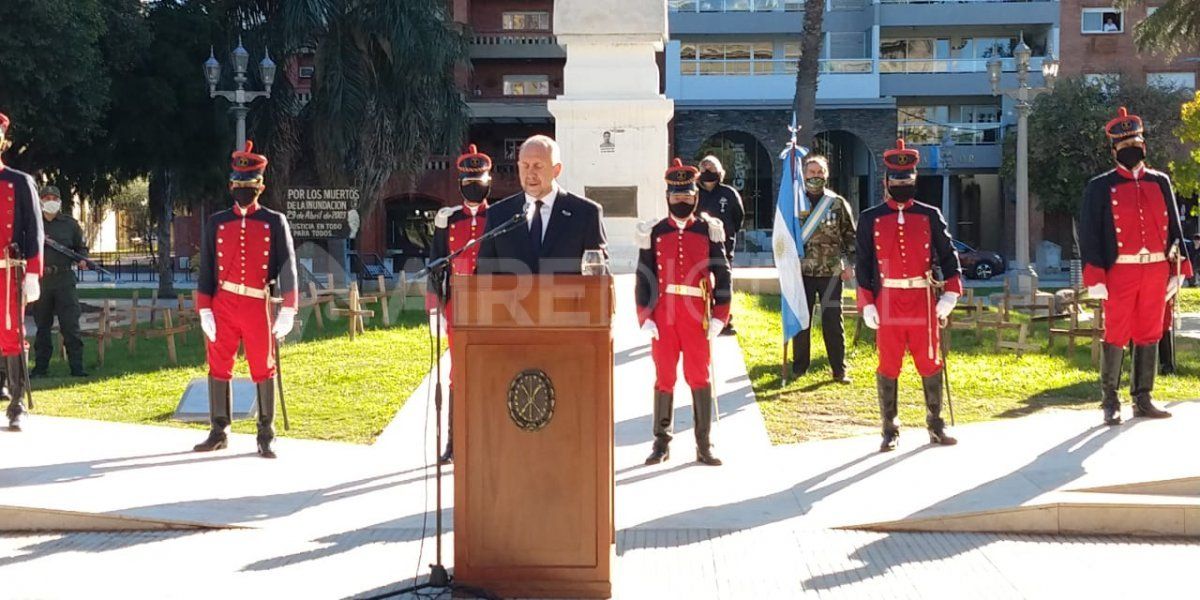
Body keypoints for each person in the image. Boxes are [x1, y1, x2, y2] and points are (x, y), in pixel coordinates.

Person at [1079, 107, 1192, 425]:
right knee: (1116, 332)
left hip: (1156, 269)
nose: (1132, 148)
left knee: (1150, 332)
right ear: (1114, 149)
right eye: (1125, 144)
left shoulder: (1161, 181)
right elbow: (1089, 233)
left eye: (1136, 142)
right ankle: (1110, 400)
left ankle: (1143, 398)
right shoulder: (1100, 187)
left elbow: (1175, 229)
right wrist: (1095, 275)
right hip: (1120, 271)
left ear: (1144, 145)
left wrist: (1180, 271)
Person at [193, 141, 298, 458]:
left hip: (256, 304)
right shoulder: (217, 222)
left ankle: (266, 432)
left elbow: (287, 264)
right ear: (231, 185)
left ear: (261, 186)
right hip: (222, 304)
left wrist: (289, 308)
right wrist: (204, 310)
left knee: (262, 366)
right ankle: (219, 429)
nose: (243, 190)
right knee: (218, 365)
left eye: (249, 185)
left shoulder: (273, 221)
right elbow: (207, 268)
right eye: (239, 184)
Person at [856, 139, 962, 452]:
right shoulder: (870, 218)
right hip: (888, 299)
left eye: (908, 179)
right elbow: (863, 262)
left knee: (929, 362)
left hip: (922, 298)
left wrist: (950, 294)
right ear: (886, 181)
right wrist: (867, 303)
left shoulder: (930, 214)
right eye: (897, 180)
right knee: (888, 364)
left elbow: (948, 255)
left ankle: (936, 424)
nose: (902, 184)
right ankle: (890, 428)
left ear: (915, 180)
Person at [636, 159, 731, 466]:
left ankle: (704, 445)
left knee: (698, 376)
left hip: (696, 314)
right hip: (664, 315)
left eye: (687, 195)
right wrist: (644, 315)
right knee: (664, 376)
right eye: (676, 195)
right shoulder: (654, 231)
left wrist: (721, 314)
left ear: (695, 196)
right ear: (668, 197)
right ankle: (661, 443)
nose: (681, 200)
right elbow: (644, 274)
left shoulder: (709, 230)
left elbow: (723, 273)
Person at [427, 144, 492, 464]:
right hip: (459, 303)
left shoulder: (500, 216)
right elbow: (435, 263)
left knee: (491, 372)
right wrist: (433, 308)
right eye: (469, 181)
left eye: (479, 180)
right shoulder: (448, 219)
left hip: (495, 305)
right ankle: (454, 442)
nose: (474, 186)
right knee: (459, 374)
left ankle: (489, 439)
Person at [476, 135, 607, 275]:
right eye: (525, 166)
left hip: (567, 296)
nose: (530, 173)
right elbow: (483, 276)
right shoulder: (499, 215)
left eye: (538, 166)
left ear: (557, 170)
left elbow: (598, 276)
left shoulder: (585, 214)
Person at [790, 155, 857, 384]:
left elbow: (850, 236)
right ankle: (799, 367)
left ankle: (839, 370)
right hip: (802, 273)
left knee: (832, 322)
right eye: (811, 172)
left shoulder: (836, 203)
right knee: (802, 321)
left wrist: (849, 264)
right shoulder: (794, 203)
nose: (815, 176)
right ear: (804, 175)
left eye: (820, 172)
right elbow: (785, 237)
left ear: (826, 174)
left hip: (830, 273)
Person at [0, 112, 44, 431]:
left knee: (12, 334)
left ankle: (16, 404)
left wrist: (32, 273)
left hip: (8, 271)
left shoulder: (19, 181)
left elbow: (34, 229)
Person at [31, 185, 88, 378]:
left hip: (64, 279)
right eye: (46, 197)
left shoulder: (70, 224)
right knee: (42, 327)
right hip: (41, 281)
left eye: (54, 198)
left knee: (70, 325)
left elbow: (81, 248)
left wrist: (82, 259)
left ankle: (77, 367)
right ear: (40, 200)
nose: (50, 201)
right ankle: (40, 368)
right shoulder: (33, 223)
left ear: (59, 201)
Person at [697, 155, 745, 336]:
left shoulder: (729, 193)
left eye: (712, 168)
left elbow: (738, 217)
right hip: (699, 248)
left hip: (723, 247)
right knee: (701, 282)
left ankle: (723, 320)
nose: (708, 172)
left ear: (720, 173)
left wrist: (728, 234)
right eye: (705, 168)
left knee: (723, 283)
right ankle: (702, 316)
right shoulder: (694, 193)